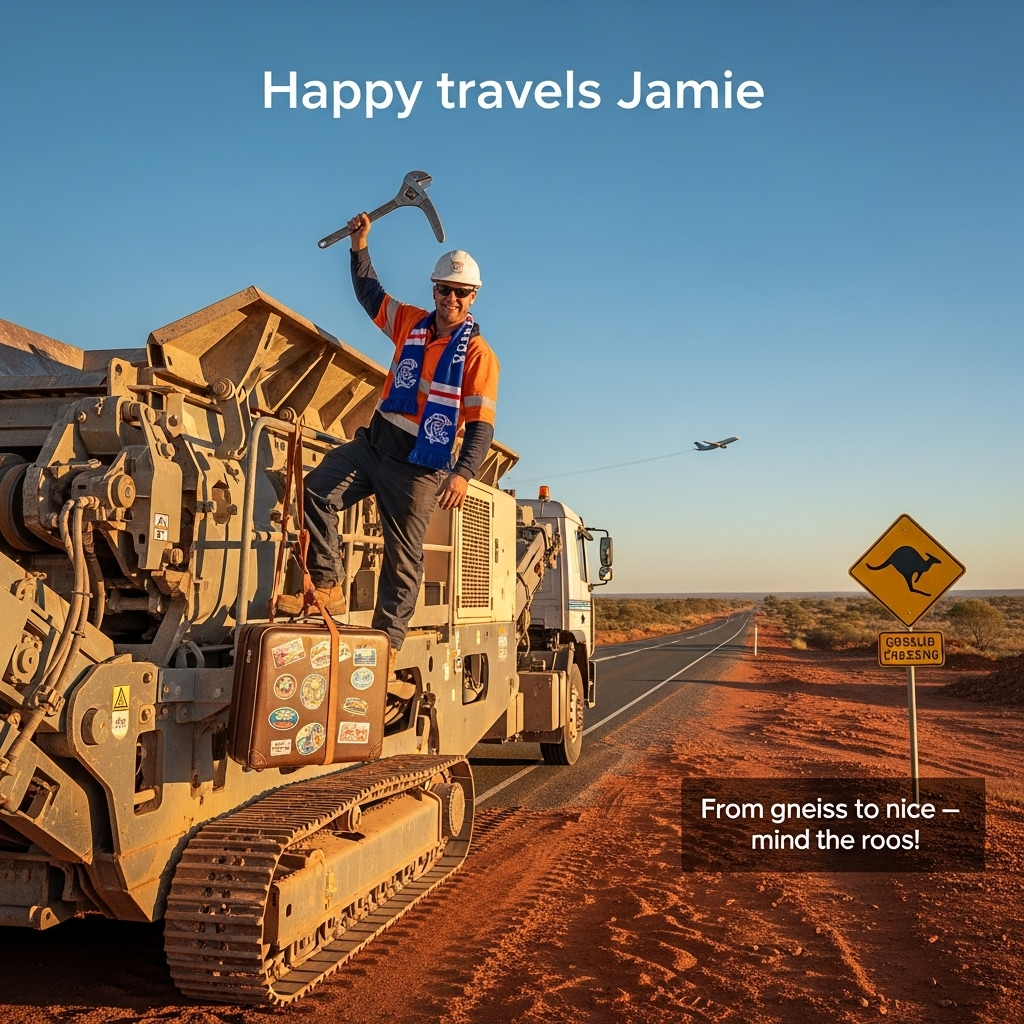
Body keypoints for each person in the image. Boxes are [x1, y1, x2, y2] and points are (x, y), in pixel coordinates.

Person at [278, 212, 499, 674]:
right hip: (374, 447)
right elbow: (371, 295)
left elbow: (481, 425)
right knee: (315, 490)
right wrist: (359, 245)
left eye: (461, 292)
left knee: (403, 560)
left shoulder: (479, 356)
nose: (451, 298)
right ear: (434, 289)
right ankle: (327, 584)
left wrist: (462, 474)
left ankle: (386, 642)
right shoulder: (412, 323)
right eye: (444, 289)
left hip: (419, 467)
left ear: (473, 297)